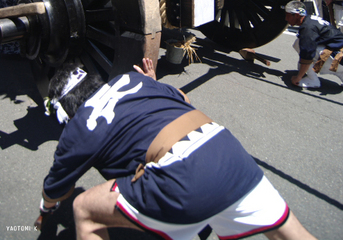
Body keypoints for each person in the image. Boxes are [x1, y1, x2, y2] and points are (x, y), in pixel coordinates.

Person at [37, 58, 318, 240]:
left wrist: (46, 211)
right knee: (293, 233)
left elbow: (55, 190)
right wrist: (153, 83)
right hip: (226, 151)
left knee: (84, 207)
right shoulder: (135, 80)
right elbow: (183, 99)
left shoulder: (78, 127)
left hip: (182, 177)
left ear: (65, 111)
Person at [285, 0, 343, 89]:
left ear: (296, 15)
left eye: (288, 16)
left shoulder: (307, 28)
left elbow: (307, 54)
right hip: (340, 55)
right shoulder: (311, 19)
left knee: (300, 45)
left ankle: (312, 80)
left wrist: (298, 77)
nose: (286, 19)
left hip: (338, 59)